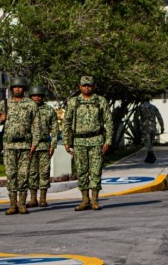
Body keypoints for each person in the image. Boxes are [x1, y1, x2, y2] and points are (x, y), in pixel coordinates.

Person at [63, 76, 113, 212]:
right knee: (81, 171)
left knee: (96, 170)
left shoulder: (100, 101)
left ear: (93, 86)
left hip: (96, 140)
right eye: (84, 85)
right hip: (79, 141)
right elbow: (66, 122)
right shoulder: (73, 102)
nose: (87, 88)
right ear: (79, 86)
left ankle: (95, 199)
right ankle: (85, 199)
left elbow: (108, 122)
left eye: (89, 85)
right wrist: (66, 141)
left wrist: (108, 141)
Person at [0, 77, 41, 215]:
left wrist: (34, 143)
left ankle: (22, 204)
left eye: (20, 87)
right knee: (11, 174)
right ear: (12, 89)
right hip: (9, 145)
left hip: (25, 144)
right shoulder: (5, 103)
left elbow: (36, 125)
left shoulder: (31, 104)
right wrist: (0, 119)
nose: (18, 89)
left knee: (23, 174)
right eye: (15, 87)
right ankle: (12, 204)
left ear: (24, 89)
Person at [27, 85, 59, 208]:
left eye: (39, 96)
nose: (37, 98)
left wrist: (53, 144)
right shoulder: (26, 110)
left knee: (44, 172)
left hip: (44, 145)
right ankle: (33, 198)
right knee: (31, 172)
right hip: (30, 146)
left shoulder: (49, 110)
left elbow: (55, 129)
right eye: (34, 96)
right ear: (30, 96)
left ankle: (43, 198)